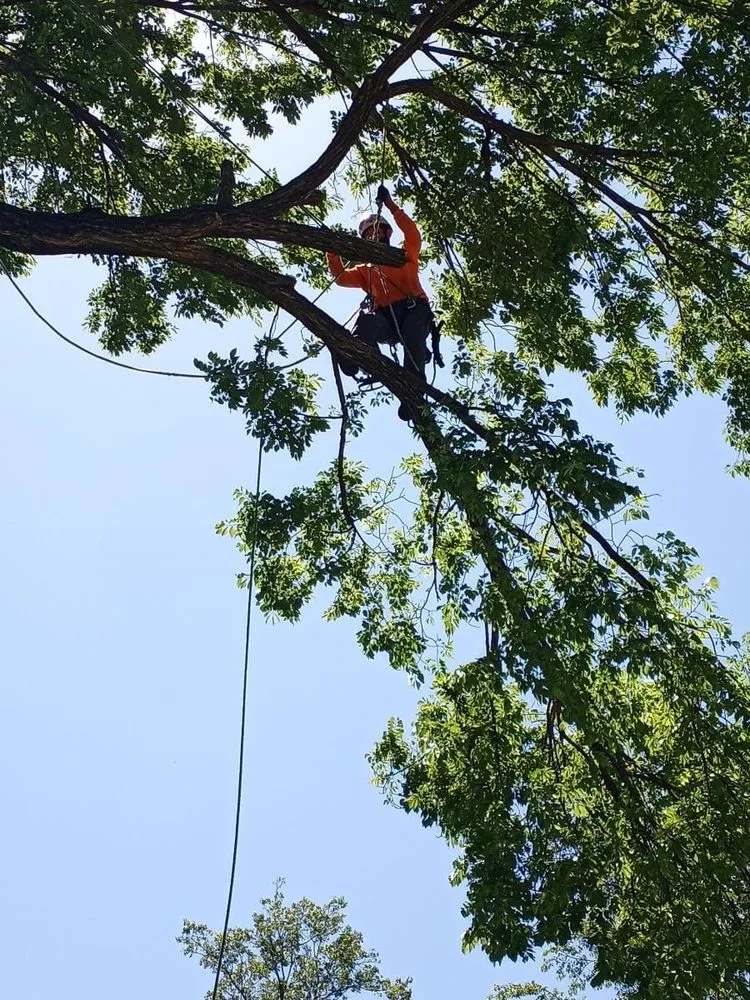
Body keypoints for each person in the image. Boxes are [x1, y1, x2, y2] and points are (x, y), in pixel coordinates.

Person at [326, 185, 432, 420]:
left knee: (414, 333)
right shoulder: (366, 270)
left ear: (386, 233)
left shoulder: (404, 255)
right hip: (386, 319)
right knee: (365, 319)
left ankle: (413, 393)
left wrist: (391, 204)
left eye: (377, 231)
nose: (373, 236)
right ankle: (355, 355)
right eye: (368, 235)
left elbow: (413, 234)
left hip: (414, 309)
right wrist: (332, 252)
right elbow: (341, 278)